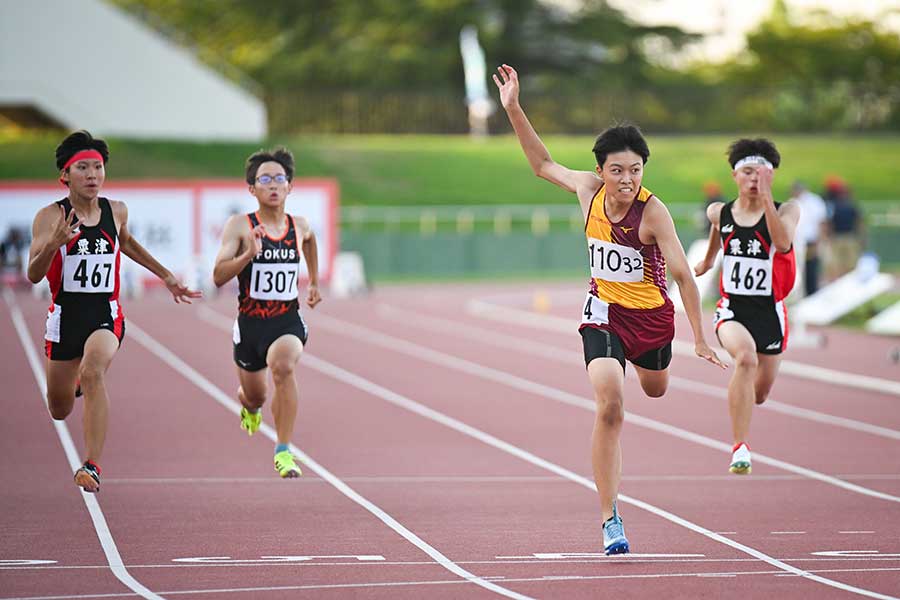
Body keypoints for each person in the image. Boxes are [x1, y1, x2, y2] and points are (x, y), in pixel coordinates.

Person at [493, 64, 724, 555]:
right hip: (603, 311)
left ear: (643, 170)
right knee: (610, 404)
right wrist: (514, 108)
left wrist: (699, 338)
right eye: (616, 170)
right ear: (600, 170)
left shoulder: (652, 211)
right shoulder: (587, 191)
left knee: (656, 390)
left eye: (635, 170)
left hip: (652, 319)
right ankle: (610, 517)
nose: (625, 179)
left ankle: (654, 367)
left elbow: (682, 274)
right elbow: (542, 165)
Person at [26, 130, 201, 493]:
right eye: (83, 168)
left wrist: (167, 276)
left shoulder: (115, 210)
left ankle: (92, 465)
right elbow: (33, 274)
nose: (93, 175)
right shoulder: (49, 217)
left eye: (98, 167)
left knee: (93, 372)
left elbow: (128, 242)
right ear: (65, 175)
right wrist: (54, 244)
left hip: (105, 314)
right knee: (59, 409)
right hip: (65, 317)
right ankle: (71, 385)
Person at [212, 147, 321, 479]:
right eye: (265, 179)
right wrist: (248, 255)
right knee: (255, 394)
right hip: (250, 326)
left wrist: (314, 281)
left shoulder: (298, 225)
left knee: (283, 367)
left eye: (279, 178)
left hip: (287, 320)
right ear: (252, 189)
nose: (273, 185)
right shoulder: (240, 227)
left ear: (290, 186)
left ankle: (284, 451)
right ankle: (249, 406)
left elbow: (311, 241)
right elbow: (218, 276)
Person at [694, 139, 800, 475]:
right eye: (748, 172)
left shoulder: (787, 210)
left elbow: (782, 243)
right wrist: (709, 261)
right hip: (733, 310)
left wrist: (766, 198)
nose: (755, 179)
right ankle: (740, 447)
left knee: (760, 394)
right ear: (735, 175)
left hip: (771, 312)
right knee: (745, 357)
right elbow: (716, 223)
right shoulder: (720, 211)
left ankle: (739, 401)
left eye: (762, 173)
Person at [789, 180, 827, 296]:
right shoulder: (793, 202)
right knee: (798, 271)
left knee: (810, 271)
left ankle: (811, 295)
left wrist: (820, 241)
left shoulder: (814, 201)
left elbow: (821, 222)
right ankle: (801, 296)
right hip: (797, 242)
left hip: (811, 241)